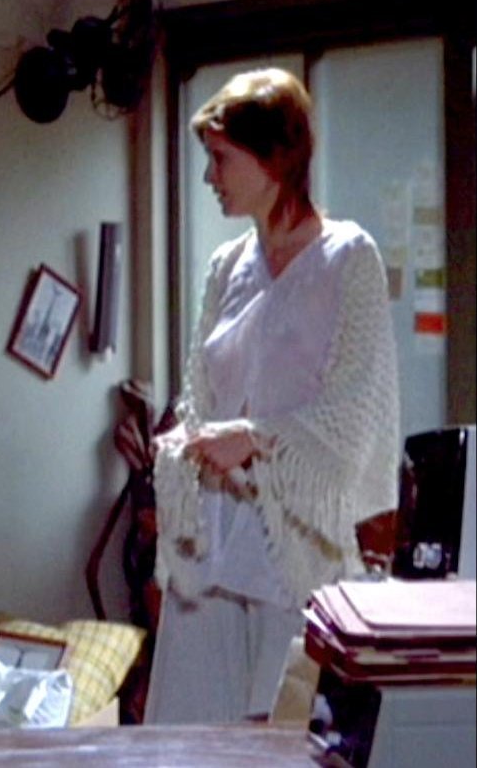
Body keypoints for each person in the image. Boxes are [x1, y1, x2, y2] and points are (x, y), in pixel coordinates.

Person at [144, 68, 399, 724]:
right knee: (191, 738)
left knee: (283, 737)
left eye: (221, 158)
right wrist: (184, 444)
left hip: (295, 547)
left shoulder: (348, 258)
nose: (210, 176)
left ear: (275, 157)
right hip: (212, 540)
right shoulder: (226, 267)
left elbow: (356, 412)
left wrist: (255, 438)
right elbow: (200, 397)